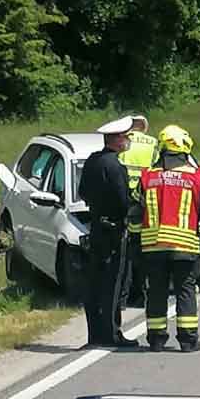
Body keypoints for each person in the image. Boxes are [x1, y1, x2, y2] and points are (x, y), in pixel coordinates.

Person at [129, 124, 200, 352]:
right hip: (185, 248)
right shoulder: (196, 179)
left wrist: (135, 242)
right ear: (185, 150)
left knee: (156, 292)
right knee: (185, 291)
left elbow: (135, 215)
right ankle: (188, 341)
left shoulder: (148, 177)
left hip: (152, 247)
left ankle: (156, 340)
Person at [76, 116, 138, 348]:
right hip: (114, 230)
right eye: (126, 137)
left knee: (94, 282)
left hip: (96, 228)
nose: (128, 140)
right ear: (117, 140)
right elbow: (124, 201)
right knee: (113, 283)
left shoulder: (92, 161)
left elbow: (83, 192)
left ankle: (94, 335)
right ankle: (112, 334)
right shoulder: (115, 166)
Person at [118, 114, 157, 307]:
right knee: (144, 250)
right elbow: (158, 171)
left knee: (125, 252)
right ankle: (142, 295)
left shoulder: (123, 141)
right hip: (145, 201)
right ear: (145, 127)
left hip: (124, 199)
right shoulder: (152, 143)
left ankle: (123, 298)